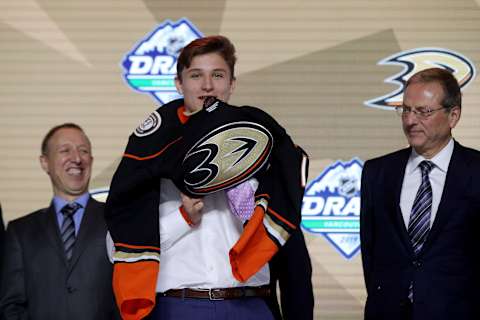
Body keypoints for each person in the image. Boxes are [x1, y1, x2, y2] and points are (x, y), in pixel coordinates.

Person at [105, 35, 313, 320]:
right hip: (180, 307)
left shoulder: (266, 145)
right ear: (179, 84)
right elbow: (115, 245)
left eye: (217, 74)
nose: (207, 85)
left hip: (252, 305)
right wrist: (182, 218)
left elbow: (288, 246)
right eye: (195, 75)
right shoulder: (150, 151)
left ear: (231, 83)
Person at [360, 67, 480, 320]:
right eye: (405, 110)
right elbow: (371, 253)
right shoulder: (377, 172)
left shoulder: (475, 171)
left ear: (453, 115)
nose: (410, 120)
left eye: (423, 111)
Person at [0, 123, 119, 320]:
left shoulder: (117, 221)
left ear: (91, 159)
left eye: (84, 151)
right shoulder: (20, 232)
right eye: (65, 150)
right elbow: (11, 305)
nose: (77, 158)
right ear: (44, 162)